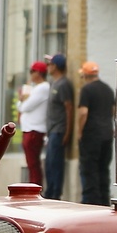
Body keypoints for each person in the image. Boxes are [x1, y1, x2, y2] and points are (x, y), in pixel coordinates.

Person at [76, 61, 116, 205]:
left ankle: (91, 203)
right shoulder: (108, 89)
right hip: (106, 135)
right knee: (103, 169)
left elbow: (83, 112)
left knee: (89, 169)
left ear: (85, 75)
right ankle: (104, 202)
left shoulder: (87, 90)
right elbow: (113, 111)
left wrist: (79, 131)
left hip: (91, 135)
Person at [43, 53, 74, 200]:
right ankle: (49, 191)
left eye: (50, 64)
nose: (47, 67)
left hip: (58, 130)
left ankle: (55, 194)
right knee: (49, 163)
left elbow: (69, 108)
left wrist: (67, 132)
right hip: (51, 131)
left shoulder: (63, 84)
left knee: (55, 164)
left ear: (56, 66)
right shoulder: (52, 83)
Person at [18, 60, 50, 186]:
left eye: (32, 71)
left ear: (39, 73)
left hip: (34, 130)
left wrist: (21, 101)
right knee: (31, 162)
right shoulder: (36, 88)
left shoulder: (42, 88)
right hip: (30, 129)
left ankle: (35, 187)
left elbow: (25, 107)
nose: (30, 74)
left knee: (33, 163)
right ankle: (34, 186)